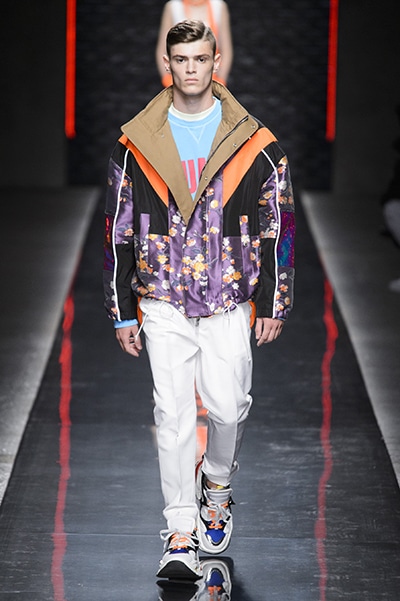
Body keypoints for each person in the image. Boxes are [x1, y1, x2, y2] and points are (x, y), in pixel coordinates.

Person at [103, 20, 295, 582]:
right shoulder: (136, 143)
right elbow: (117, 230)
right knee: (172, 414)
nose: (191, 69)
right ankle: (180, 531)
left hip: (229, 295)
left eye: (200, 59)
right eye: (181, 59)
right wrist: (121, 309)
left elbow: (278, 225)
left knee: (229, 407)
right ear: (168, 64)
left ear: (216, 62)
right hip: (161, 295)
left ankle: (218, 483)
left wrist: (274, 300)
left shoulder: (256, 144)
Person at [156, 0, 233, 87]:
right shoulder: (174, 7)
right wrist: (168, 80)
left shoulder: (218, 6)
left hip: (210, 76)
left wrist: (220, 81)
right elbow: (162, 49)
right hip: (180, 77)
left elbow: (226, 49)